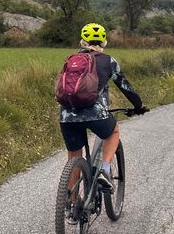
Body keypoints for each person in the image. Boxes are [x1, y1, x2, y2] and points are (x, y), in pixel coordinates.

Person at [59, 23, 148, 187]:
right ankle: (104, 170)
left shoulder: (71, 60)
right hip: (96, 115)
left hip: (67, 116)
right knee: (113, 131)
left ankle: (72, 204)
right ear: (104, 42)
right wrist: (138, 106)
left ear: (82, 41)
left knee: (73, 156)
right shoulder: (109, 61)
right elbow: (125, 86)